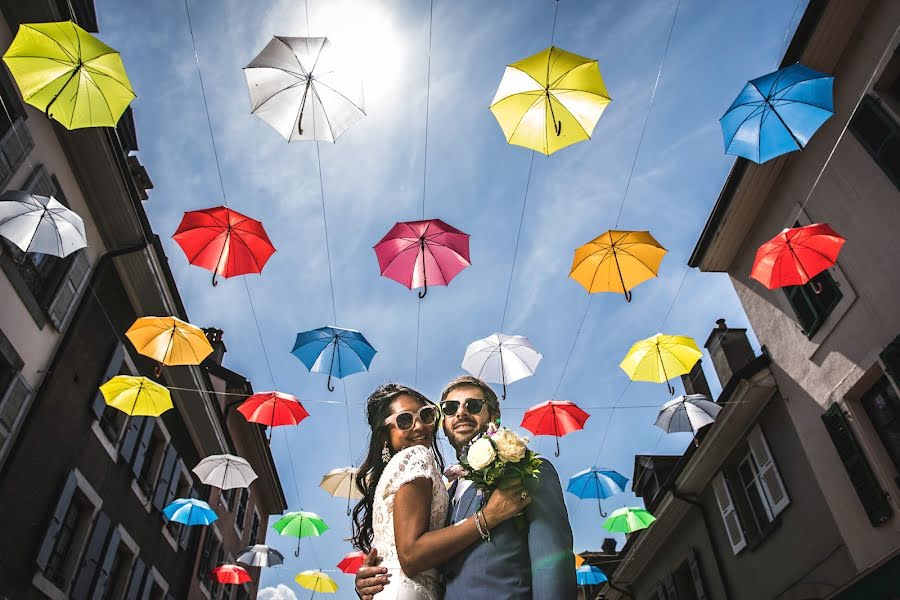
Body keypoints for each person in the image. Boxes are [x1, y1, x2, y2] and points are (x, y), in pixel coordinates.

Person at [356, 376, 576, 600]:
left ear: (494, 417)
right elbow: (419, 557)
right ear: (443, 422)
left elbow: (552, 563)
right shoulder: (441, 493)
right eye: (450, 408)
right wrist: (377, 579)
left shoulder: (526, 471)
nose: (461, 413)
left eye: (473, 405)